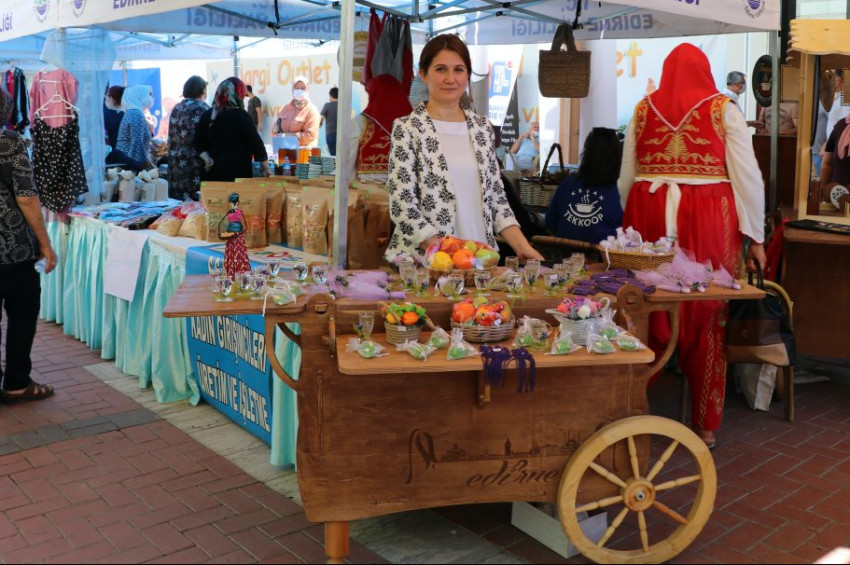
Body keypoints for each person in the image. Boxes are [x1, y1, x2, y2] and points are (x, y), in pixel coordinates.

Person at [618, 43, 766, 449]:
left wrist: (627, 224)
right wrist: (756, 235)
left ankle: (632, 414)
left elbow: (626, 175)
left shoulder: (643, 108)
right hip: (705, 215)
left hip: (647, 208)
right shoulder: (724, 109)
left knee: (643, 310)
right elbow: (747, 176)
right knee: (707, 312)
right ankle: (706, 425)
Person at [384, 34, 543, 264]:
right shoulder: (408, 128)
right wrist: (449, 252)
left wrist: (522, 246)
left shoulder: (482, 129)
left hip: (480, 263)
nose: (450, 78)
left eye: (458, 69)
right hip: (428, 265)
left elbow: (498, 200)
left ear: (467, 75)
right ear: (423, 74)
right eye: (440, 69)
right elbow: (403, 206)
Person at [0, 88, 57, 404]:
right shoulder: (9, 143)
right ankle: (17, 383)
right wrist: (45, 243)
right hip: (13, 251)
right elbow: (26, 197)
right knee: (22, 314)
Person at [546, 127, 623, 244]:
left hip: (564, 257)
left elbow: (550, 223)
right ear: (618, 156)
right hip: (603, 259)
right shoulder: (620, 190)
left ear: (586, 154)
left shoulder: (568, 183)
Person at [194, 76, 270, 182]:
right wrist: (266, 168)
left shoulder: (207, 114)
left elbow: (197, 141)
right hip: (237, 177)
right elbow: (257, 144)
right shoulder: (241, 115)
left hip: (212, 178)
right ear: (238, 95)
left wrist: (207, 158)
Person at [167, 76, 209, 200]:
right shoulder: (202, 108)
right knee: (195, 204)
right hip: (195, 161)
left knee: (179, 203)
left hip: (175, 161)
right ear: (201, 90)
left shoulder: (177, 107)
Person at [272, 75, 320, 147]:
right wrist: (279, 138)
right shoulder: (285, 108)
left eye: (303, 88)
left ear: (307, 90)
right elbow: (274, 129)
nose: (299, 90)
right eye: (297, 88)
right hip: (284, 152)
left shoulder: (312, 111)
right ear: (292, 89)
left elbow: (310, 135)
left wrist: (287, 138)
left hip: (303, 154)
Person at [115, 84, 154, 168]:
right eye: (148, 95)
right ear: (139, 96)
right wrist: (143, 165)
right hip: (130, 164)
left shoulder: (134, 112)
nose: (151, 98)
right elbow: (137, 142)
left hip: (128, 161)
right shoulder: (135, 113)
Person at [103, 85, 125, 150]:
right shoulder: (127, 115)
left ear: (111, 98)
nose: (106, 98)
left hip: (112, 153)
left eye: (107, 95)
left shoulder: (107, 115)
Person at [320, 86, 339, 156]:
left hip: (330, 134)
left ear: (330, 96)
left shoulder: (327, 105)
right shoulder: (342, 105)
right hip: (341, 135)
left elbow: (320, 118)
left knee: (333, 156)